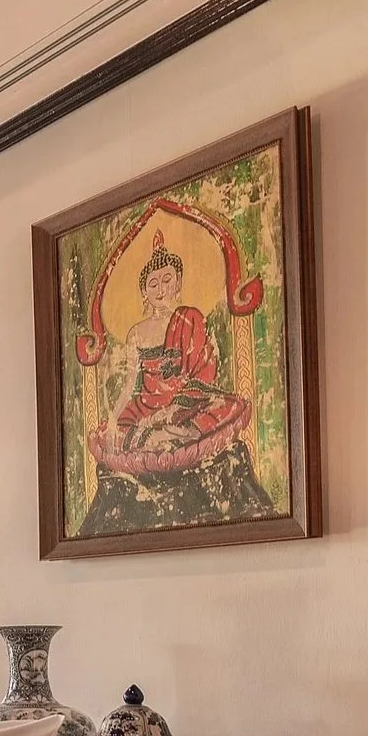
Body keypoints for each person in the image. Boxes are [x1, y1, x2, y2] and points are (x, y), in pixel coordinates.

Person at [80, 228, 273, 536]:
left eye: (167, 280)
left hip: (187, 403)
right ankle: (159, 437)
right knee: (110, 433)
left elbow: (203, 376)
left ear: (179, 283)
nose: (160, 288)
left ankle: (168, 434)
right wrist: (116, 417)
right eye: (152, 283)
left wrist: (170, 412)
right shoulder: (137, 333)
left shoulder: (190, 319)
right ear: (144, 291)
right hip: (146, 406)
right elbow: (131, 383)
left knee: (225, 405)